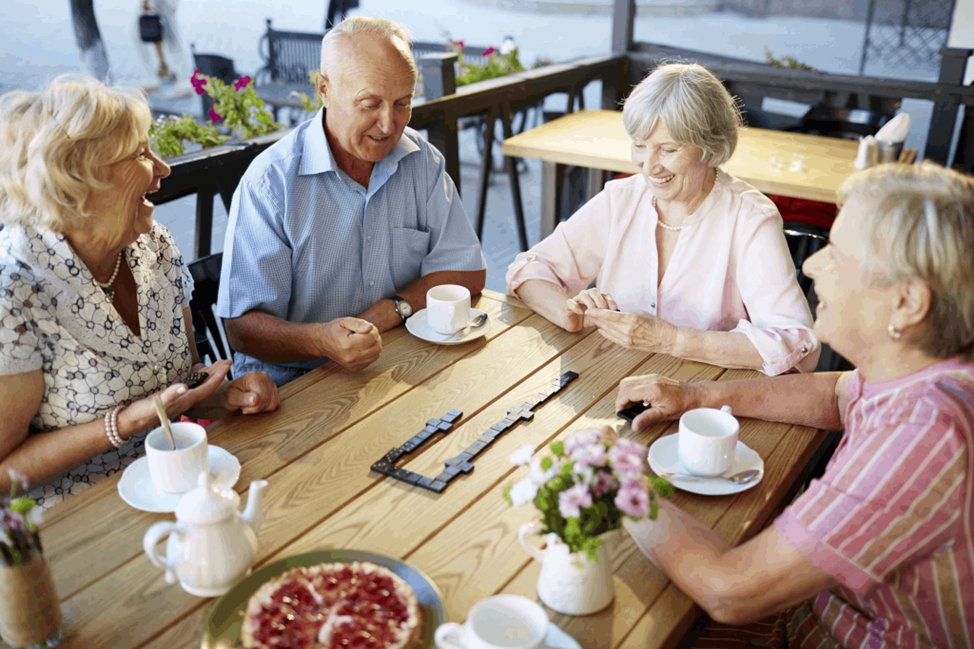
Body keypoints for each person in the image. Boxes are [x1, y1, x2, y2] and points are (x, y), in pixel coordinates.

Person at [617, 161, 974, 647]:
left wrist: (619, 483)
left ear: (907, 303)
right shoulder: (924, 373)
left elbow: (730, 590)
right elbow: (837, 394)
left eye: (837, 254)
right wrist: (695, 395)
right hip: (815, 614)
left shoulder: (923, 433)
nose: (811, 266)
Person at [0, 75, 280, 509]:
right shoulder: (13, 290)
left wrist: (225, 395)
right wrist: (126, 423)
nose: (162, 169)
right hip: (73, 522)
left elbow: (182, 380)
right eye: (141, 154)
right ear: (80, 179)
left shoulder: (153, 244)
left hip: (172, 487)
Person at [217, 15, 487, 387]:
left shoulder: (422, 161)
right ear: (324, 89)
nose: (388, 124)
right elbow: (241, 330)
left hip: (396, 363)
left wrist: (393, 309)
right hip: (293, 385)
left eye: (402, 103)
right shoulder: (270, 183)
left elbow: (467, 272)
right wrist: (321, 340)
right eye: (369, 104)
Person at [506, 63, 818, 376]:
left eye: (668, 150)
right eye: (640, 146)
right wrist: (567, 313)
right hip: (611, 378)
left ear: (709, 147)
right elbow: (529, 269)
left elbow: (796, 344)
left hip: (705, 393)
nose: (649, 166)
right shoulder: (621, 199)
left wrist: (671, 340)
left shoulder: (750, 219)